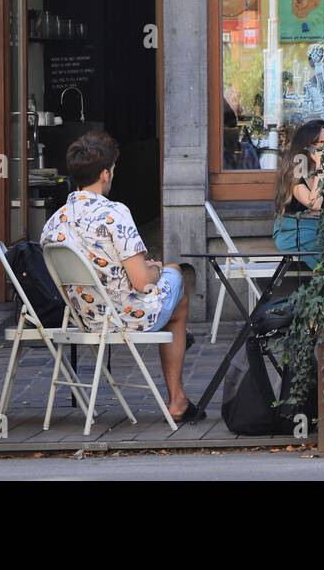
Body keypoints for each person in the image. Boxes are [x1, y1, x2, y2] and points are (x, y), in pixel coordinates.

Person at [41, 131, 203, 424]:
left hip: (85, 316)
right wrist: (156, 268)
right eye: (113, 169)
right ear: (105, 174)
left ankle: (179, 386)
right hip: (126, 315)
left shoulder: (55, 221)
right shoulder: (114, 213)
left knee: (168, 283)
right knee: (175, 276)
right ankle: (177, 399)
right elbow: (142, 282)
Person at [274, 119, 324, 269]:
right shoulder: (296, 171)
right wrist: (321, 166)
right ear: (309, 147)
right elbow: (315, 204)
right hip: (294, 233)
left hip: (319, 231)